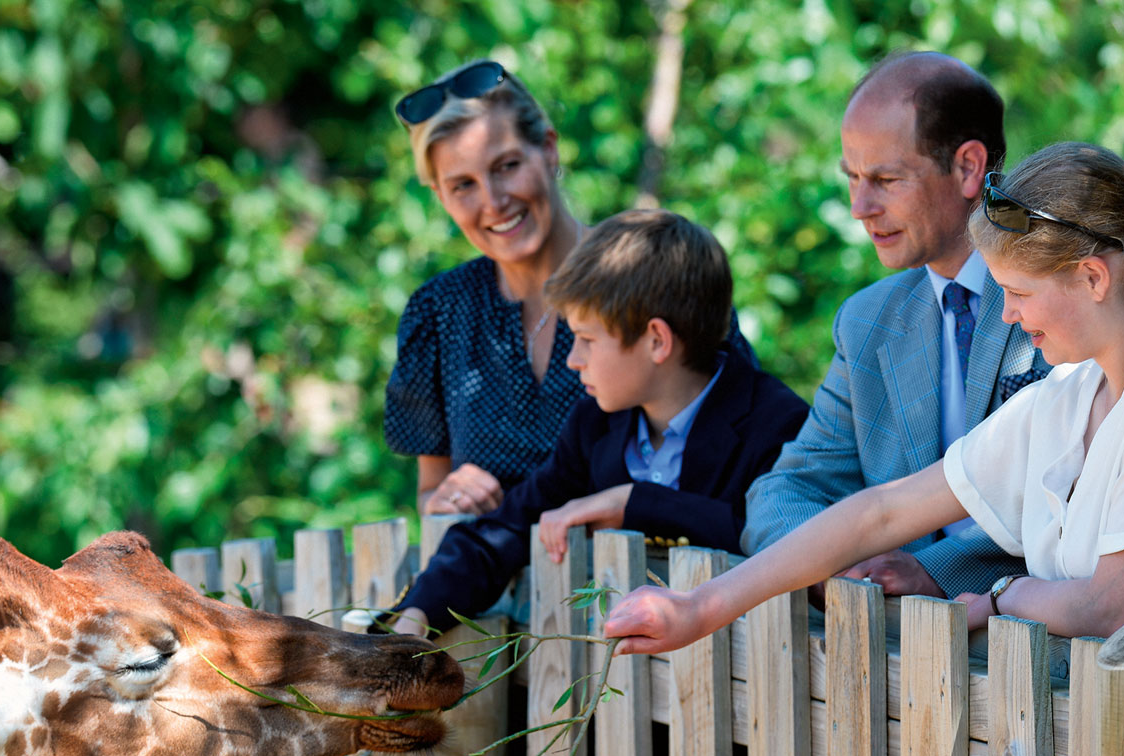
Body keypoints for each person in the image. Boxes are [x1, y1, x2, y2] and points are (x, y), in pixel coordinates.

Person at [605, 140, 1124, 653]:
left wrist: (1005, 595)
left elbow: (1114, 606)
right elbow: (881, 512)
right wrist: (700, 607)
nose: (1007, 316)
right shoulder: (1067, 396)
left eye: (1018, 293)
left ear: (1092, 277)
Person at [387, 208, 808, 637]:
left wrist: (633, 503)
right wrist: (416, 616)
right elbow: (505, 529)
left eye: (586, 339)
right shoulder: (595, 424)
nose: (572, 360)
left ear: (657, 340)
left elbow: (777, 541)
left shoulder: (778, 425)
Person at [385, 60, 759, 519]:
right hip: (496, 564)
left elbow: (754, 457)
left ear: (548, 149)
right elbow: (429, 493)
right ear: (441, 197)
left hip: (666, 561)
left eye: (507, 166)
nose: (493, 202)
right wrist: (448, 499)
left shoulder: (659, 273)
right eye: (463, 185)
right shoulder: (437, 313)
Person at [741, 52, 1047, 600]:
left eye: (885, 179)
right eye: (852, 178)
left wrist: (932, 574)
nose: (860, 207)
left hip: (1046, 638)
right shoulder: (866, 322)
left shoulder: (1062, 293)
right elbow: (785, 490)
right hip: (885, 639)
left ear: (968, 168)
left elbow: (1065, 497)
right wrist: (828, 569)